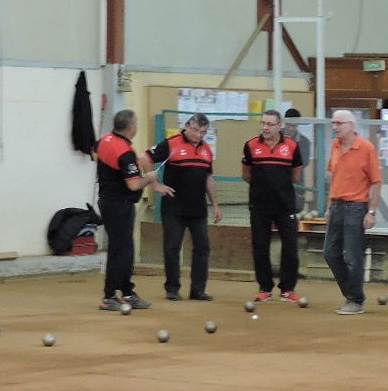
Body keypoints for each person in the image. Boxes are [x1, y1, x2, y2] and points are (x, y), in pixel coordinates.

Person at [96, 109, 174, 311]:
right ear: (131, 127)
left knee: (125, 249)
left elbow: (100, 156)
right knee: (120, 250)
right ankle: (109, 296)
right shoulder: (125, 152)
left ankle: (127, 292)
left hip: (107, 201)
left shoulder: (105, 140)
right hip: (119, 205)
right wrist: (149, 178)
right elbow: (133, 185)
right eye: (136, 123)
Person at [140, 113, 222, 301]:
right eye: (196, 130)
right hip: (174, 208)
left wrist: (215, 205)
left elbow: (209, 178)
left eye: (203, 132)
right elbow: (144, 158)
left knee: (202, 248)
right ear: (187, 126)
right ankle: (172, 289)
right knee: (172, 248)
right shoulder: (171, 144)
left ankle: (198, 290)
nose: (199, 135)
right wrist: (155, 184)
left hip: (198, 209)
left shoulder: (206, 149)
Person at [242, 109, 304, 303]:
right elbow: (246, 174)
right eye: (263, 123)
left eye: (270, 124)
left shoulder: (292, 146)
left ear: (280, 126)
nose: (265, 127)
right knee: (260, 247)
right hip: (259, 206)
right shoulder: (251, 145)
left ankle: (287, 289)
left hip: (285, 206)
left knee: (290, 246)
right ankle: (265, 288)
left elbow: (296, 175)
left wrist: (280, 187)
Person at [323, 109, 382, 315]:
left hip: (356, 207)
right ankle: (353, 294)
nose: (335, 127)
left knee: (353, 256)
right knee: (330, 253)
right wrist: (329, 206)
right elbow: (334, 178)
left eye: (339, 123)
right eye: (333, 123)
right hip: (336, 206)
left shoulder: (366, 148)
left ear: (352, 125)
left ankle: (355, 300)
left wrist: (371, 211)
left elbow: (376, 182)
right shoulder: (335, 146)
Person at [282, 108, 313, 213]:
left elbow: (304, 162)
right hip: (277, 184)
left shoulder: (304, 142)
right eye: (288, 125)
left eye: (294, 126)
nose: (291, 128)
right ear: (284, 123)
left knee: (296, 213)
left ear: (298, 125)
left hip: (297, 183)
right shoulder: (275, 138)